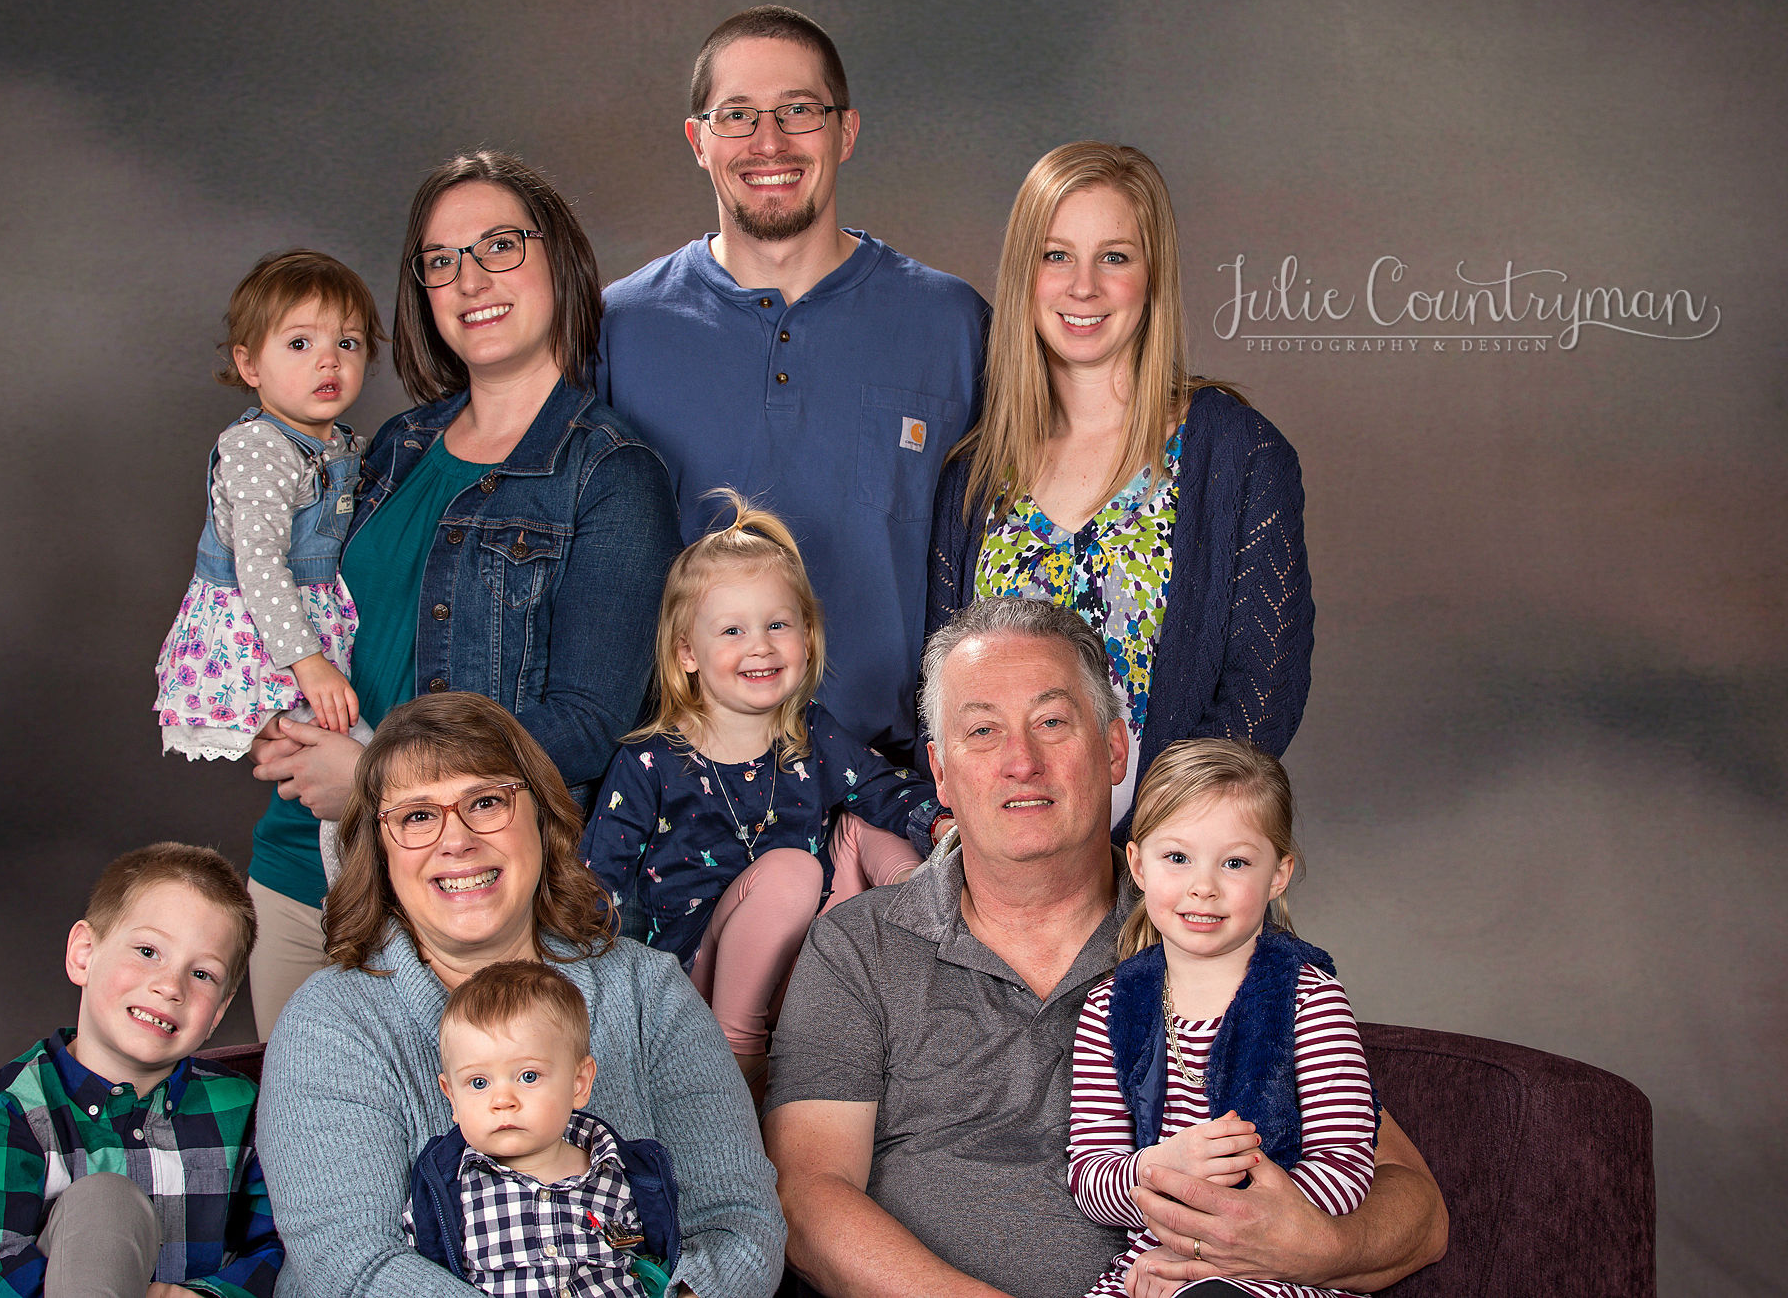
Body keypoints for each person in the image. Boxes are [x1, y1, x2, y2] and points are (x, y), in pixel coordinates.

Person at [764, 598, 1445, 1298]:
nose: (1021, 762)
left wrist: (1313, 1246)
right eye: (983, 730)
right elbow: (808, 1199)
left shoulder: (1211, 933)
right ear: (940, 771)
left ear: (1115, 748)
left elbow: (1414, 1208)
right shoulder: (859, 948)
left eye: (1052, 722)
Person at [244, 152, 682, 1039]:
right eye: (441, 260)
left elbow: (591, 722)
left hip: (462, 894)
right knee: (300, 1130)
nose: (470, 279)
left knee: (462, 1130)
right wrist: (265, 707)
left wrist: (377, 777)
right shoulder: (394, 445)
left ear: (559, 257)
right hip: (299, 871)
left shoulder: (611, 474)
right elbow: (319, 614)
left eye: (499, 246)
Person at [257, 692, 784, 1298]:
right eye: (417, 816)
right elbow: (349, 1264)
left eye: (486, 802)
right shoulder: (331, 1022)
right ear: (379, 851)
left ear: (544, 819)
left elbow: (740, 1223)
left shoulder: (649, 992)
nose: (456, 841)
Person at [598, 5, 988, 764]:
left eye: (799, 110)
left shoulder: (952, 324)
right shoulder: (619, 328)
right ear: (698, 140)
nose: (769, 141)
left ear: (846, 131)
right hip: (678, 788)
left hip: (898, 784)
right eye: (737, 114)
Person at [928, 143, 1313, 837]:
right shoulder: (976, 474)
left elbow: (1263, 692)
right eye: (1056, 256)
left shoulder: (1237, 455)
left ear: (1152, 274)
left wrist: (1145, 849)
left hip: (1168, 860)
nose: (1084, 287)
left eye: (1114, 257)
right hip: (1006, 860)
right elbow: (943, 694)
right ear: (1023, 275)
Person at [581, 491, 935, 1080]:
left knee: (867, 819)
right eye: (732, 630)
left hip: (807, 964)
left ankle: (931, 915)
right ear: (687, 652)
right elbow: (596, 887)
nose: (760, 646)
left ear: (807, 636)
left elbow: (884, 788)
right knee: (793, 869)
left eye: (777, 625)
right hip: (700, 979)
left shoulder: (811, 733)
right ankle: (738, 1060)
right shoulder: (650, 762)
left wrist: (941, 823)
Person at [1069, 739, 1375, 1298]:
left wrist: (1224, 1236)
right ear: (1137, 864)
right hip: (1154, 1265)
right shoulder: (1111, 1004)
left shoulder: (1309, 998)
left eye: (1235, 862)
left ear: (1278, 874)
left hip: (1270, 1267)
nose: (1203, 886)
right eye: (1177, 857)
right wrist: (1161, 1167)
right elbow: (1089, 1176)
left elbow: (1347, 1166)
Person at [0, 843, 281, 1298]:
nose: (170, 986)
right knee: (106, 1204)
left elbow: (282, 1249)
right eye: (148, 951)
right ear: (84, 954)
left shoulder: (246, 1108)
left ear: (218, 1011)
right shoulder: (14, 1110)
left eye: (202, 975)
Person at [154, 249, 382, 760]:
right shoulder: (259, 447)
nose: (329, 360)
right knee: (363, 762)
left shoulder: (339, 443)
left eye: (347, 343)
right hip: (265, 642)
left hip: (307, 630)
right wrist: (309, 662)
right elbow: (257, 564)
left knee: (350, 760)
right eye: (300, 343)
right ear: (250, 364)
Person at [409, 960, 680, 1298]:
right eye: (478, 1082)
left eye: (528, 1076)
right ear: (452, 1097)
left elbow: (657, 1263)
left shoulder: (625, 1174)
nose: (502, 1100)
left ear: (579, 1083)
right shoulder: (447, 1187)